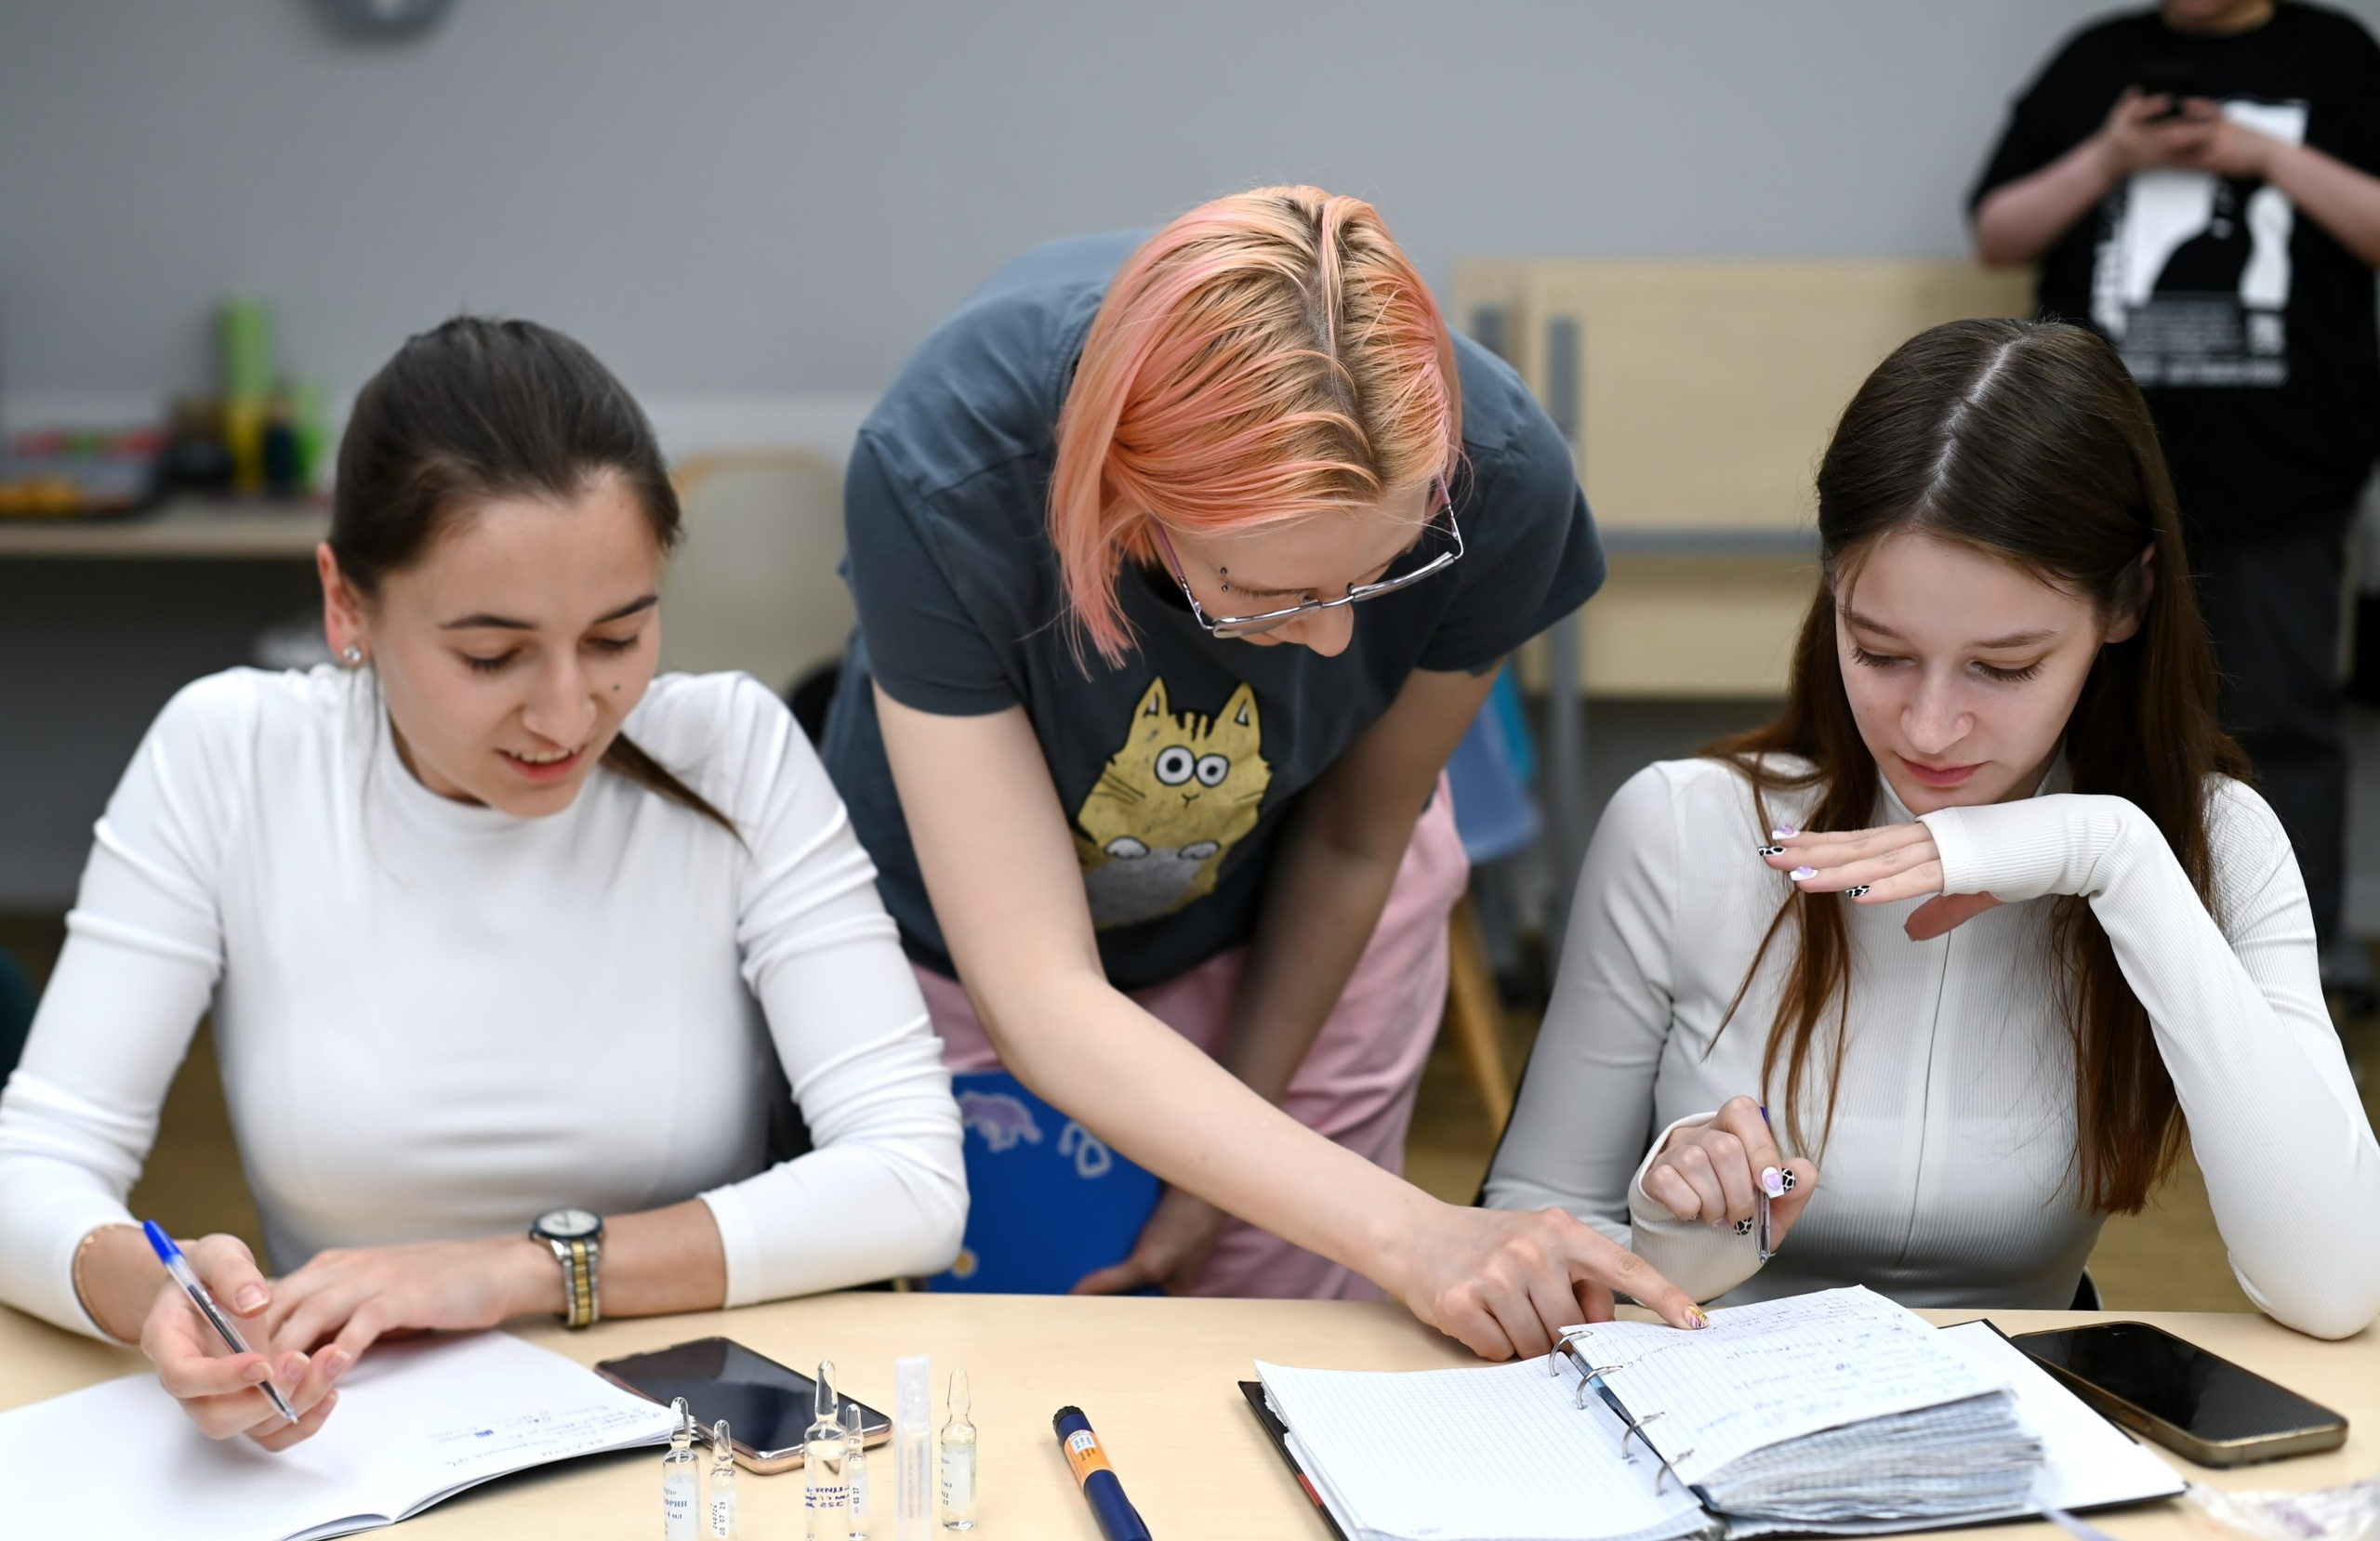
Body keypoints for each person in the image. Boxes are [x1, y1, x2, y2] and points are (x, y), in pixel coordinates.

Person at [0, 318, 968, 1448]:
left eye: (618, 635)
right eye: (491, 655)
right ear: (346, 604)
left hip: (679, 1433)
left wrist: (514, 1272)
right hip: (351, 1443)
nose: (566, 713)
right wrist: (154, 1293)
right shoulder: (233, 754)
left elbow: (909, 1181)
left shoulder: (732, 750)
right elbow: (32, 1169)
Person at [821, 186, 1703, 1357]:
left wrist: (1243, 1156)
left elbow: (1354, 834)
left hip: (1292, 905)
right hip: (969, 941)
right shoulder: (947, 470)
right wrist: (1412, 1232)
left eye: (1376, 575)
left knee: (1288, 1343)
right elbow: (1036, 989)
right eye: (1264, 591)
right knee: (1027, 1345)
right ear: (1125, 497)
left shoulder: (1498, 474)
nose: (1336, 644)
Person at [1485, 318, 2380, 1341]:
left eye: (2003, 667)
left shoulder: (2210, 847)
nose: (1928, 727)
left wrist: (2114, 854)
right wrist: (1680, 1236)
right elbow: (1525, 1221)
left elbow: (2338, 1282)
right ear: (1831, 591)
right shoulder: (1683, 825)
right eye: (1880, 650)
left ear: (2126, 599)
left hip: (2020, 1459)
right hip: (1708, 1438)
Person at [1968, 0, 2380, 987]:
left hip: (2285, 471)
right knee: (2084, 714)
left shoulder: (2332, 56)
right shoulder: (2095, 59)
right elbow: (1996, 230)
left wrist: (2256, 153)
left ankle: (2293, 976)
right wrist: (2109, 156)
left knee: (2279, 723)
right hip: (2091, 470)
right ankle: (2090, 964)